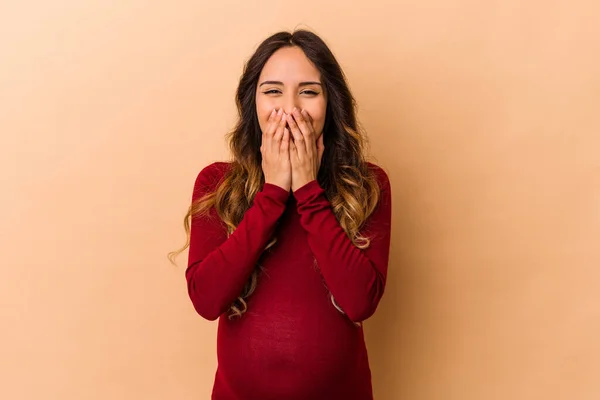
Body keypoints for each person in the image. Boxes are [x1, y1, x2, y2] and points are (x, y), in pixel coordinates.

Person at [169, 29, 392, 400]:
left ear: (331, 103)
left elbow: (360, 301)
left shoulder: (367, 184)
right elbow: (207, 300)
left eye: (308, 91)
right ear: (252, 105)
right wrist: (272, 193)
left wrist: (307, 189)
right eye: (273, 91)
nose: (290, 108)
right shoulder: (216, 183)